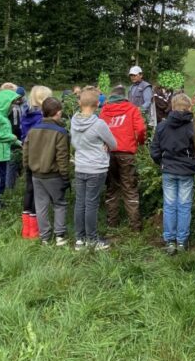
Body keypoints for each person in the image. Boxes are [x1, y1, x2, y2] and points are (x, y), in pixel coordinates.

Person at [150, 93, 195, 254]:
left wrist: (161, 162)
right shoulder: (192, 127)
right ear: (188, 107)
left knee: (169, 205)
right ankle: (182, 241)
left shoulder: (162, 126)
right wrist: (193, 162)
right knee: (184, 206)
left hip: (169, 170)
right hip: (186, 170)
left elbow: (155, 150)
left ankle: (170, 240)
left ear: (172, 106)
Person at [70, 88, 117, 250]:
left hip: (80, 165)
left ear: (79, 103)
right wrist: (102, 144)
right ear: (98, 104)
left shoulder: (73, 121)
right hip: (96, 168)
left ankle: (79, 239)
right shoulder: (99, 124)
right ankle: (92, 239)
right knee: (91, 204)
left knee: (80, 203)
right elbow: (113, 143)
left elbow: (75, 143)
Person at [23, 97, 71, 246]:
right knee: (59, 204)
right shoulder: (61, 132)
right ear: (58, 112)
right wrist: (65, 177)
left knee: (41, 205)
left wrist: (27, 169)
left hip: (36, 174)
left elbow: (26, 152)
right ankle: (59, 236)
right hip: (54, 175)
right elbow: (62, 157)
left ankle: (44, 237)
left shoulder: (32, 130)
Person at [100, 84, 147, 233]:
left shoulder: (104, 110)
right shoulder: (132, 109)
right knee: (130, 188)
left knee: (112, 188)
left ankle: (111, 223)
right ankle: (135, 226)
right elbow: (140, 129)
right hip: (127, 152)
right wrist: (139, 142)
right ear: (125, 96)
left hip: (109, 153)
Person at [19, 85, 52, 239]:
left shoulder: (26, 114)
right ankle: (35, 229)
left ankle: (27, 229)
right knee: (39, 194)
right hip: (40, 157)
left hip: (28, 154)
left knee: (29, 190)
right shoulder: (41, 118)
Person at [0, 88, 21, 210]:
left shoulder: (4, 117)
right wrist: (12, 137)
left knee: (1, 178)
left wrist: (19, 143)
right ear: (5, 103)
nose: (13, 106)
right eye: (12, 103)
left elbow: (6, 135)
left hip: (4, 154)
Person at [6, 86, 27, 190]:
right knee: (12, 162)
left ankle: (13, 182)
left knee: (13, 162)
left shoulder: (12, 106)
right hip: (14, 137)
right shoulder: (15, 109)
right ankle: (10, 187)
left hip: (11, 136)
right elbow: (16, 126)